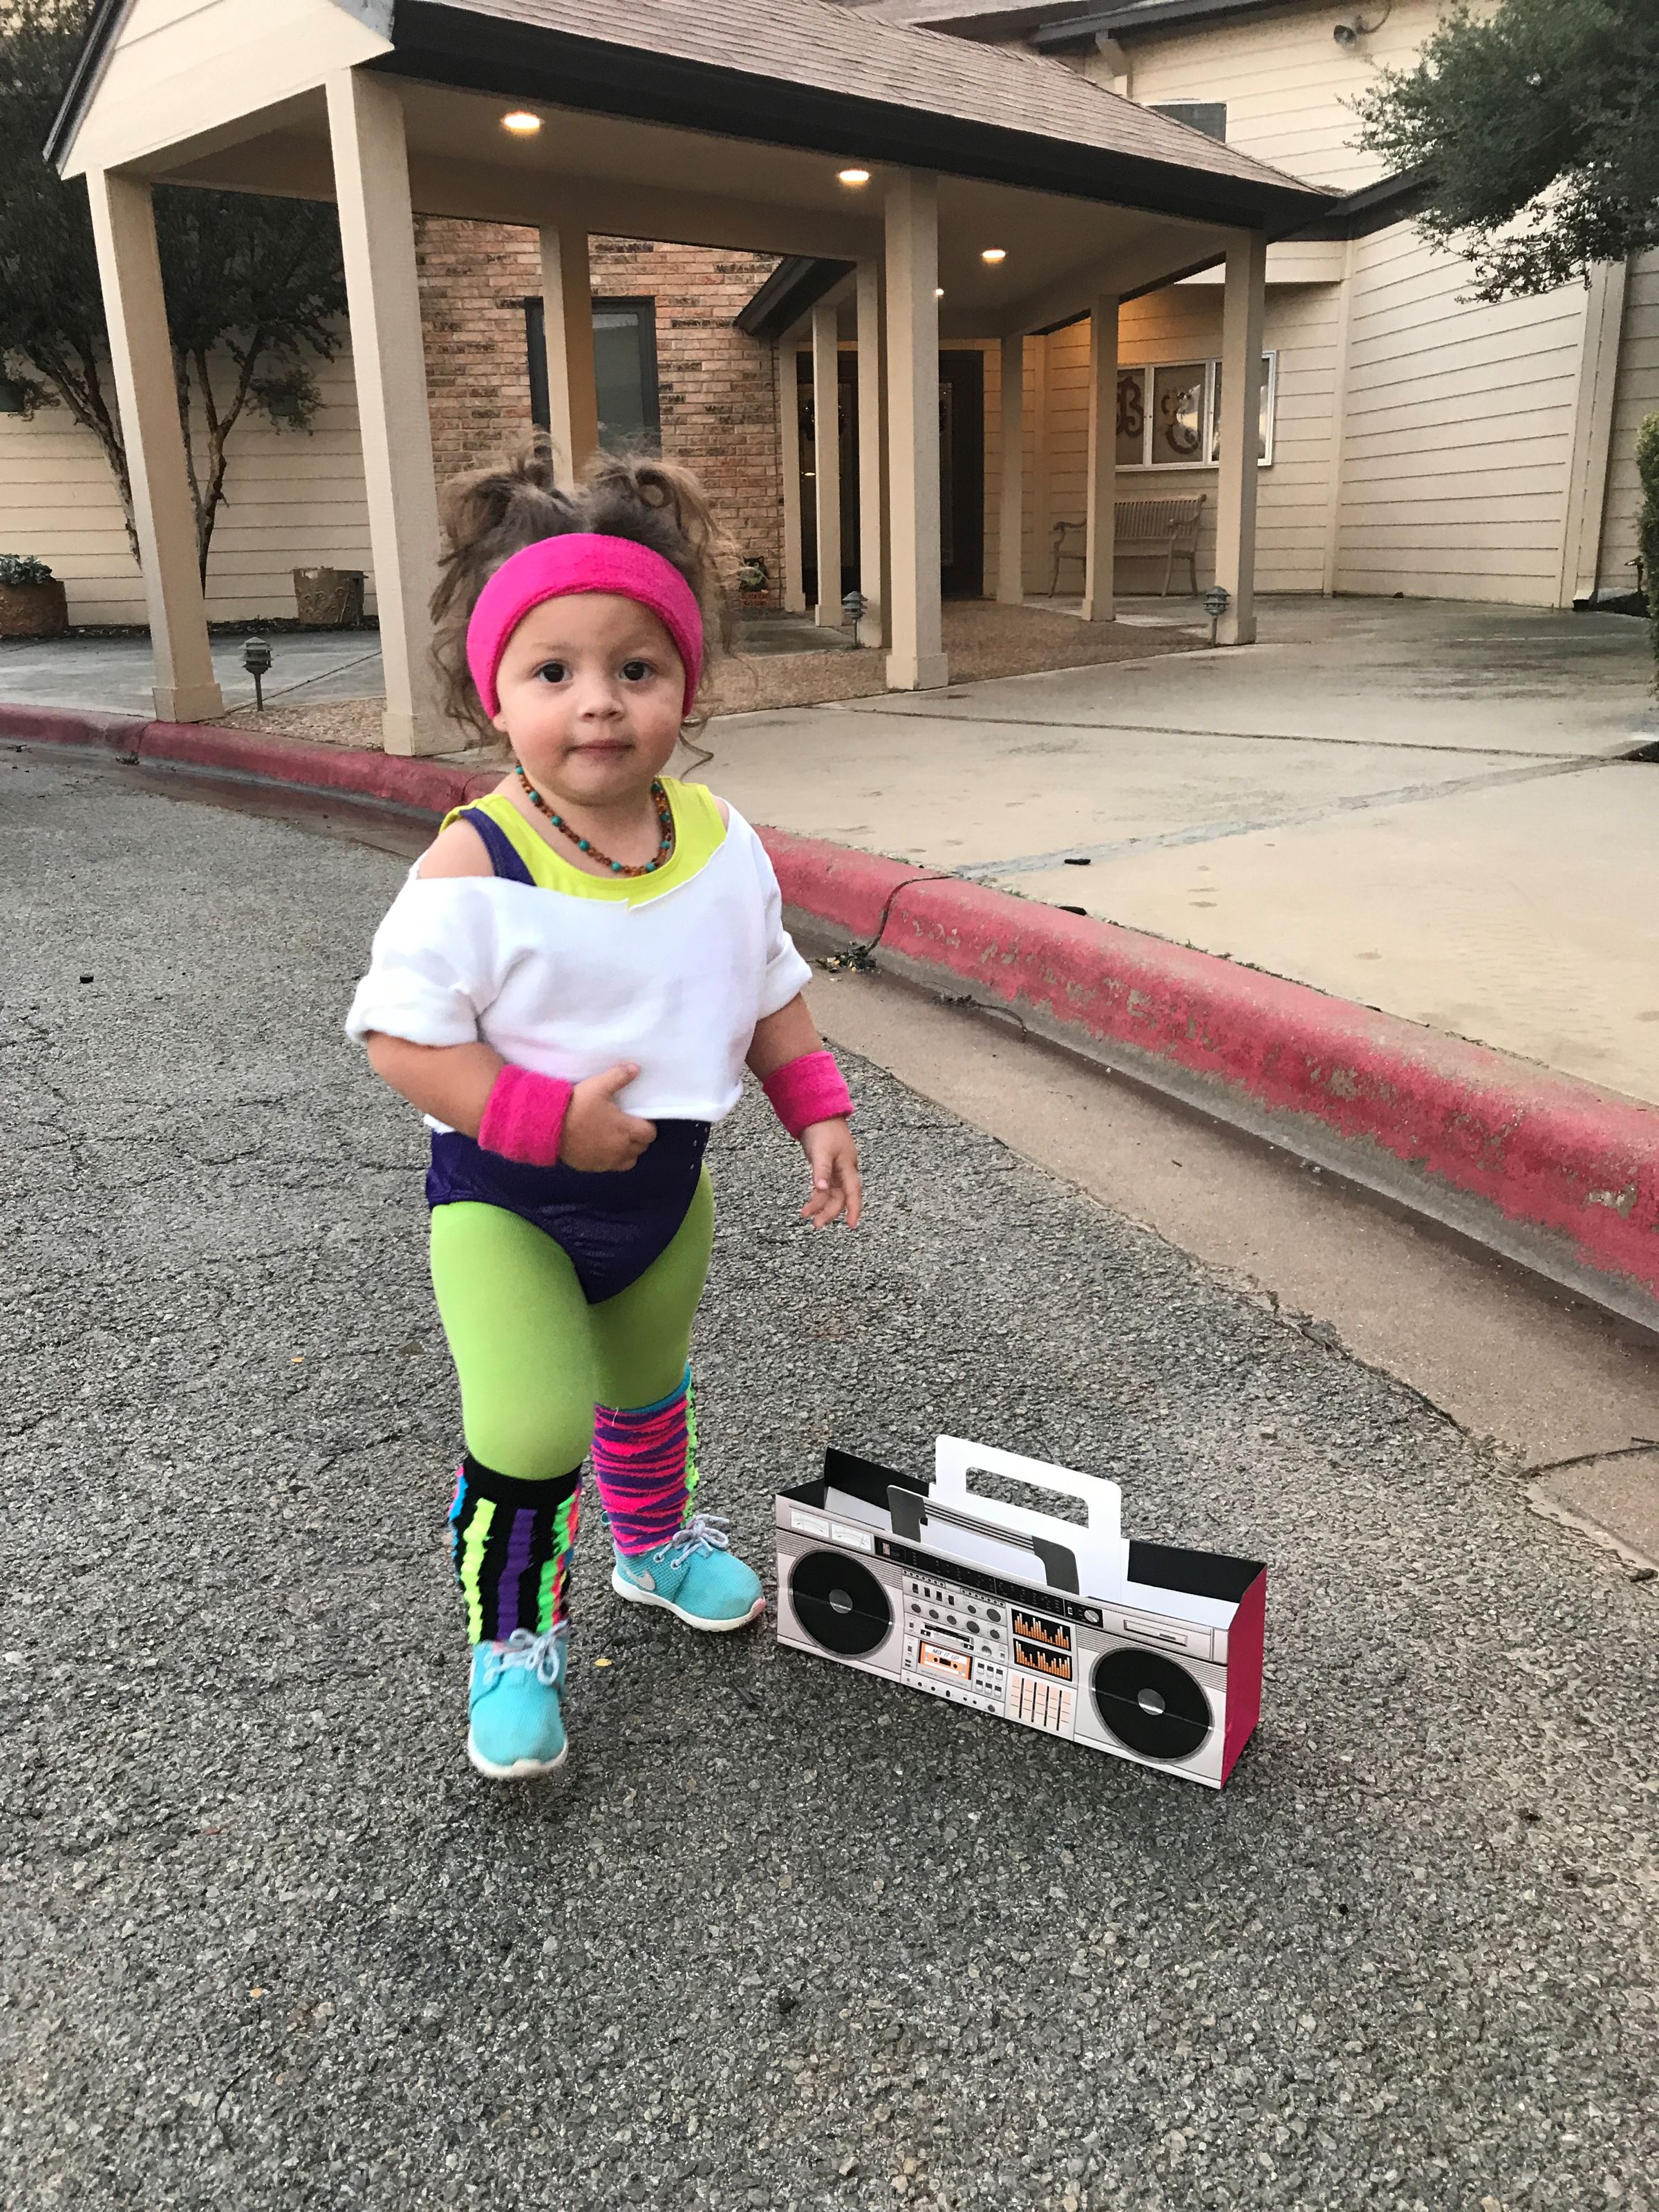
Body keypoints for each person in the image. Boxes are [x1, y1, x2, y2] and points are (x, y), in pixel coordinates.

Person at [346, 449, 861, 1782]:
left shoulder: (720, 840)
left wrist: (815, 1102)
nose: (598, 706)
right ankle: (509, 1634)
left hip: (662, 1190)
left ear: (685, 686)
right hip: (505, 1199)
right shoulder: (475, 864)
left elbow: (766, 984)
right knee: (532, 1427)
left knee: (642, 1385)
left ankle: (650, 1544)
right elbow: (398, 1035)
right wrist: (535, 1121)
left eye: (636, 670)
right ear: (491, 692)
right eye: (553, 673)